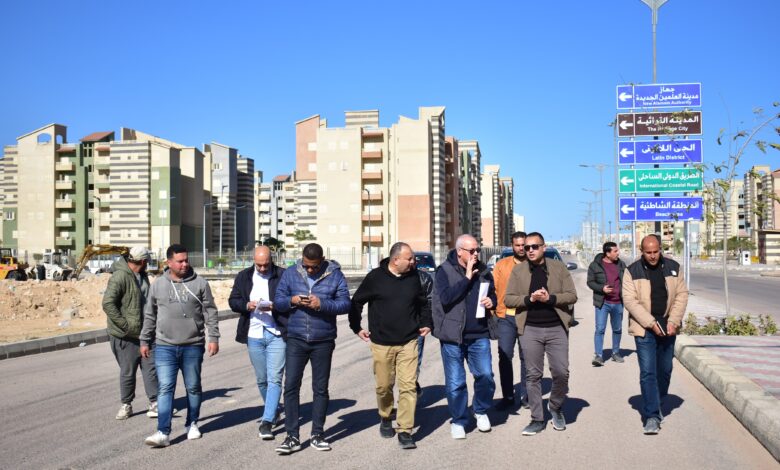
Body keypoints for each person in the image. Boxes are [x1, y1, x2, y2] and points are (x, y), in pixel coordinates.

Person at [349, 242, 432, 450]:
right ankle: (386, 416)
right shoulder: (375, 278)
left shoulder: (414, 277)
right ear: (396, 260)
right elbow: (356, 302)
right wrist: (356, 327)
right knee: (384, 386)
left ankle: (405, 430)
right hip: (382, 343)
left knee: (408, 387)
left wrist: (426, 323)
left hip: (409, 342)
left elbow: (422, 303)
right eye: (409, 259)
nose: (413, 262)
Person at [273, 243, 351, 455]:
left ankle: (318, 434)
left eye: (314, 266)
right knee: (291, 386)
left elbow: (345, 304)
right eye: (306, 265)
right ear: (302, 259)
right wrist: (292, 300)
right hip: (296, 338)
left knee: (320, 388)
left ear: (322, 261)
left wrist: (321, 304)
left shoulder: (335, 275)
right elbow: (278, 302)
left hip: (323, 340)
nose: (309, 270)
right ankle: (292, 436)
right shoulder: (290, 273)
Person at [140, 244, 220, 448]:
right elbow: (150, 314)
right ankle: (163, 432)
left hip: (192, 345)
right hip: (164, 346)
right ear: (169, 262)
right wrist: (144, 339)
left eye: (186, 260)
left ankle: (192, 423)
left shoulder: (200, 283)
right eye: (180, 261)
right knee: (165, 388)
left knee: (193, 387)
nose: (184, 264)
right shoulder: (158, 285)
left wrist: (214, 337)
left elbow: (210, 311)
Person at [504, 232, 577, 436]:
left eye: (534, 247)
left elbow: (572, 295)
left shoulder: (558, 267)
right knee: (533, 375)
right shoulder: (518, 271)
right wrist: (530, 299)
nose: (530, 250)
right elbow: (508, 299)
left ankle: (555, 406)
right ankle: (537, 418)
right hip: (530, 329)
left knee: (561, 372)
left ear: (543, 247)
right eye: (527, 247)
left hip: (556, 328)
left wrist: (550, 299)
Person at [432, 234, 497, 439]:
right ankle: (459, 420)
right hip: (453, 336)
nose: (476, 254)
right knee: (456, 382)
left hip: (479, 333)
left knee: (486, 376)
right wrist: (467, 278)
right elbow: (446, 298)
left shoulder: (484, 270)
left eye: (478, 250)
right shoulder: (444, 271)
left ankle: (480, 410)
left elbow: (492, 292)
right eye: (472, 251)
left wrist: (491, 301)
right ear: (460, 251)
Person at [623, 235, 688, 435]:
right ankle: (651, 415)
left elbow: (682, 295)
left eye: (655, 251)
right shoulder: (632, 271)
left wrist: (673, 321)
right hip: (645, 329)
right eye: (648, 252)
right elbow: (629, 300)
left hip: (668, 327)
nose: (652, 256)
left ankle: (658, 401)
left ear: (660, 249)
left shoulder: (673, 267)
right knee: (648, 372)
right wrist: (651, 324)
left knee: (665, 369)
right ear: (641, 251)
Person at [229, 245, 286, 440]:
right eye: (259, 265)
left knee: (275, 378)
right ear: (253, 261)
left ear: (272, 260)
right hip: (253, 334)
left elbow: (290, 301)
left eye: (266, 265)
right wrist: (247, 305)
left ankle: (267, 420)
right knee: (262, 379)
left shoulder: (283, 275)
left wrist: (275, 306)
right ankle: (274, 409)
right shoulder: (244, 276)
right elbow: (233, 301)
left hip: (277, 333)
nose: (262, 268)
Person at [102, 246, 158, 420]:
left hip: (145, 333)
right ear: (143, 261)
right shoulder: (120, 276)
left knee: (150, 369)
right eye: (147, 261)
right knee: (128, 372)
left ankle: (155, 403)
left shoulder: (142, 275)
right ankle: (126, 405)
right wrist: (125, 326)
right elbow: (108, 303)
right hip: (125, 336)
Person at [492, 231, 529, 411]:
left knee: (527, 357)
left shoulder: (534, 264)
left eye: (523, 245)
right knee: (505, 356)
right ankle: (507, 396)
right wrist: (493, 312)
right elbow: (493, 290)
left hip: (528, 317)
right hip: (506, 317)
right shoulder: (501, 265)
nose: (521, 248)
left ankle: (526, 395)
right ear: (512, 246)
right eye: (517, 245)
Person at [586, 241, 627, 366]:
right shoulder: (595, 265)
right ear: (607, 253)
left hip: (618, 302)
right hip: (603, 303)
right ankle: (598, 356)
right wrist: (601, 288)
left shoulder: (621, 264)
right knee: (600, 329)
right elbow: (590, 282)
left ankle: (615, 353)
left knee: (617, 329)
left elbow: (627, 280)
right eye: (615, 251)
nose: (618, 253)